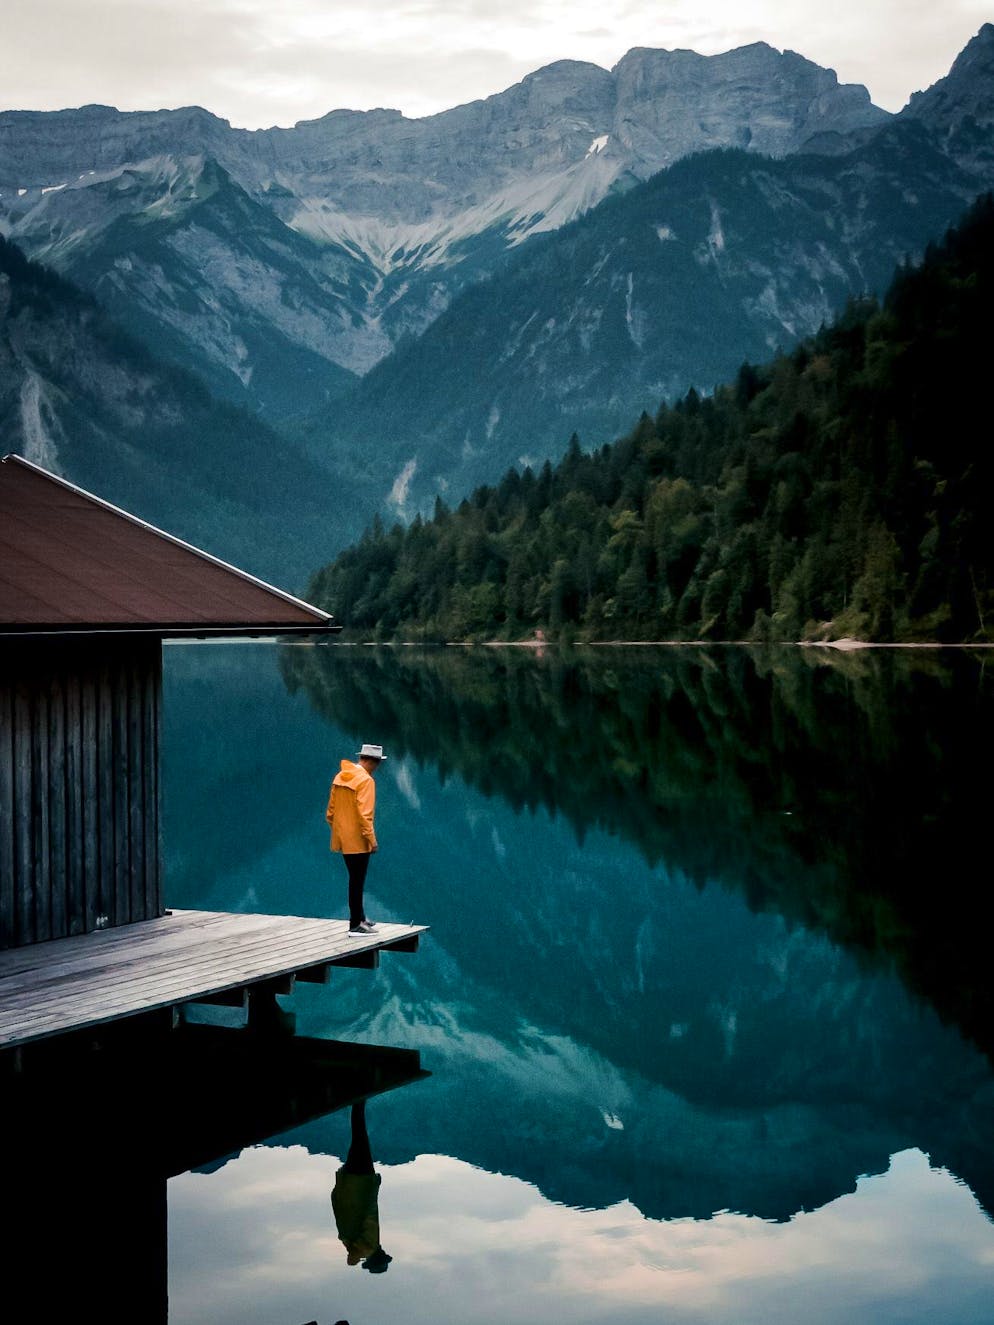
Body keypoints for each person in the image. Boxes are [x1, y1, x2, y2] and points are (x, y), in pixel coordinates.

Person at [326, 742, 386, 936]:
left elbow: (330, 813)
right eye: (377, 763)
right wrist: (372, 840)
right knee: (357, 881)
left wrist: (343, 831)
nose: (377, 768)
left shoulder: (340, 777)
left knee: (354, 879)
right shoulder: (366, 781)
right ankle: (355, 925)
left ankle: (360, 917)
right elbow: (365, 815)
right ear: (373, 761)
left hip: (344, 839)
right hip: (359, 841)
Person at [331, 1100, 392, 1275]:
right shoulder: (355, 1244)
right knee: (357, 1137)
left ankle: (359, 1100)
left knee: (360, 1136)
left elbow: (369, 1212)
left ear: (379, 1256)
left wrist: (374, 1184)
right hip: (350, 1185)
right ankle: (359, 1102)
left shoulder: (370, 1244)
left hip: (361, 1182)